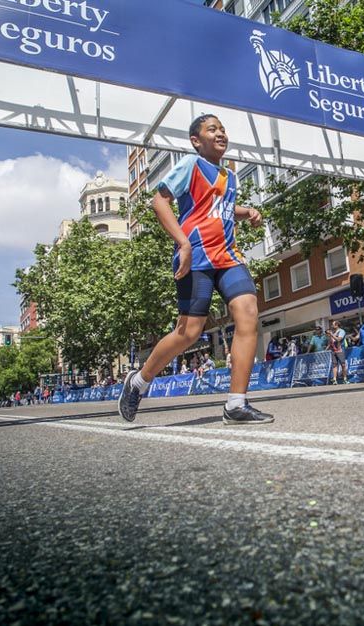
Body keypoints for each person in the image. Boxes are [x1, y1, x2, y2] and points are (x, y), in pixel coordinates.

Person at [118, 114, 272, 425]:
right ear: (196, 140)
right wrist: (183, 244)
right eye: (212, 129)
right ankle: (139, 381)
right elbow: (159, 202)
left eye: (223, 129)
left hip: (229, 257)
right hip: (197, 257)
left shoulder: (230, 176)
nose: (221, 134)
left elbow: (223, 210)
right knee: (188, 333)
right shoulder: (191, 164)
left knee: (248, 312)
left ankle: (236, 404)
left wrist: (248, 212)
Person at [327, 320, 349, 384]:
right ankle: (334, 379)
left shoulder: (341, 331)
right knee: (334, 365)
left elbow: (339, 339)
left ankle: (345, 379)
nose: (332, 326)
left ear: (337, 325)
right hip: (333, 350)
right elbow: (331, 342)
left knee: (343, 364)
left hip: (340, 350)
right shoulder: (333, 332)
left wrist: (331, 335)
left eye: (333, 324)